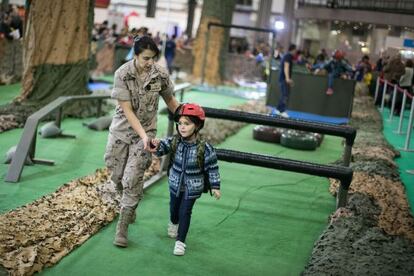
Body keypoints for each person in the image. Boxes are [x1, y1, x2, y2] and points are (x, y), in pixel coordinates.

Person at [104, 35, 180, 248]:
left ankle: (123, 226)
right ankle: (127, 201)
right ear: (135, 55)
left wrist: (186, 118)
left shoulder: (160, 74)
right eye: (146, 58)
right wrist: (143, 134)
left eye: (153, 58)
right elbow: (126, 110)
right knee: (116, 174)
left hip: (146, 135)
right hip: (121, 131)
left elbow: (171, 100)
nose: (150, 62)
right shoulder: (122, 74)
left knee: (133, 178)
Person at [150, 103, 221, 256]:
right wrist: (155, 145)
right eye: (180, 123)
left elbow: (212, 167)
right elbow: (161, 148)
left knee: (185, 211)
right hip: (175, 184)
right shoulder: (175, 141)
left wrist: (215, 186)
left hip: (193, 187)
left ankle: (180, 241)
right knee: (174, 209)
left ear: (197, 126)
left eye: (187, 124)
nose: (182, 127)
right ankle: (173, 223)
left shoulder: (205, 148)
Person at [275, 43, 296, 118]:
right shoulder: (288, 56)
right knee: (284, 95)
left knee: (283, 95)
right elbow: (286, 67)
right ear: (293, 50)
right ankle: (282, 111)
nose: (295, 52)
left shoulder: (287, 56)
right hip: (284, 79)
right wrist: (287, 78)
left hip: (283, 78)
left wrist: (288, 79)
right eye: (295, 50)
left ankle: (278, 109)